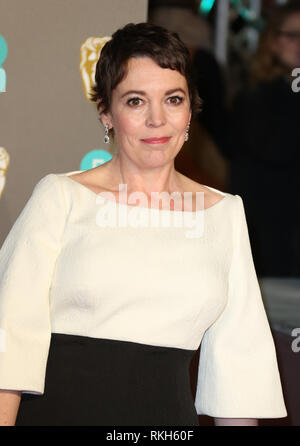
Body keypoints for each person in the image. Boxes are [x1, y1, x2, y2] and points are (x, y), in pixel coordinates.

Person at [0, 22, 287, 426]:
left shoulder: (224, 213)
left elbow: (238, 374)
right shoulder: (60, 198)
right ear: (106, 113)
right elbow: (8, 340)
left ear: (190, 111)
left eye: (173, 99)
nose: (157, 120)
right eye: (136, 101)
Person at [227, 2, 300, 278]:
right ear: (273, 41)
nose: (299, 44)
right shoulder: (255, 95)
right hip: (269, 236)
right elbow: (276, 149)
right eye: (292, 35)